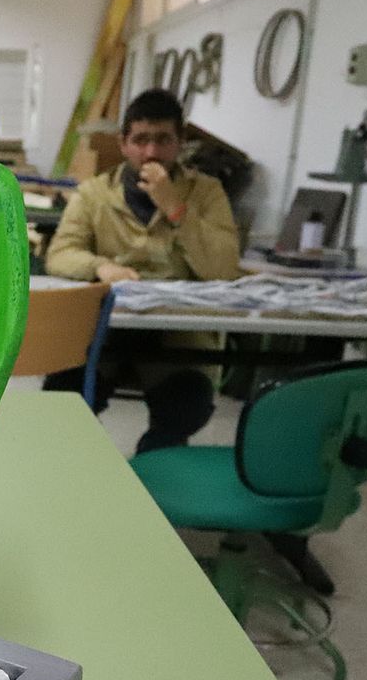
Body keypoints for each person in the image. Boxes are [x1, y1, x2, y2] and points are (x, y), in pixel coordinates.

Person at [43, 88, 242, 453]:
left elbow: (224, 267)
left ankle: (153, 469)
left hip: (178, 334)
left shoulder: (207, 192)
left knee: (187, 404)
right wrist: (99, 266)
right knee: (64, 396)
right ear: (123, 144)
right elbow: (60, 254)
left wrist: (176, 209)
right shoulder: (94, 194)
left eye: (163, 140)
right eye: (141, 140)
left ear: (181, 142)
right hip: (105, 327)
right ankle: (78, 468)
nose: (151, 152)